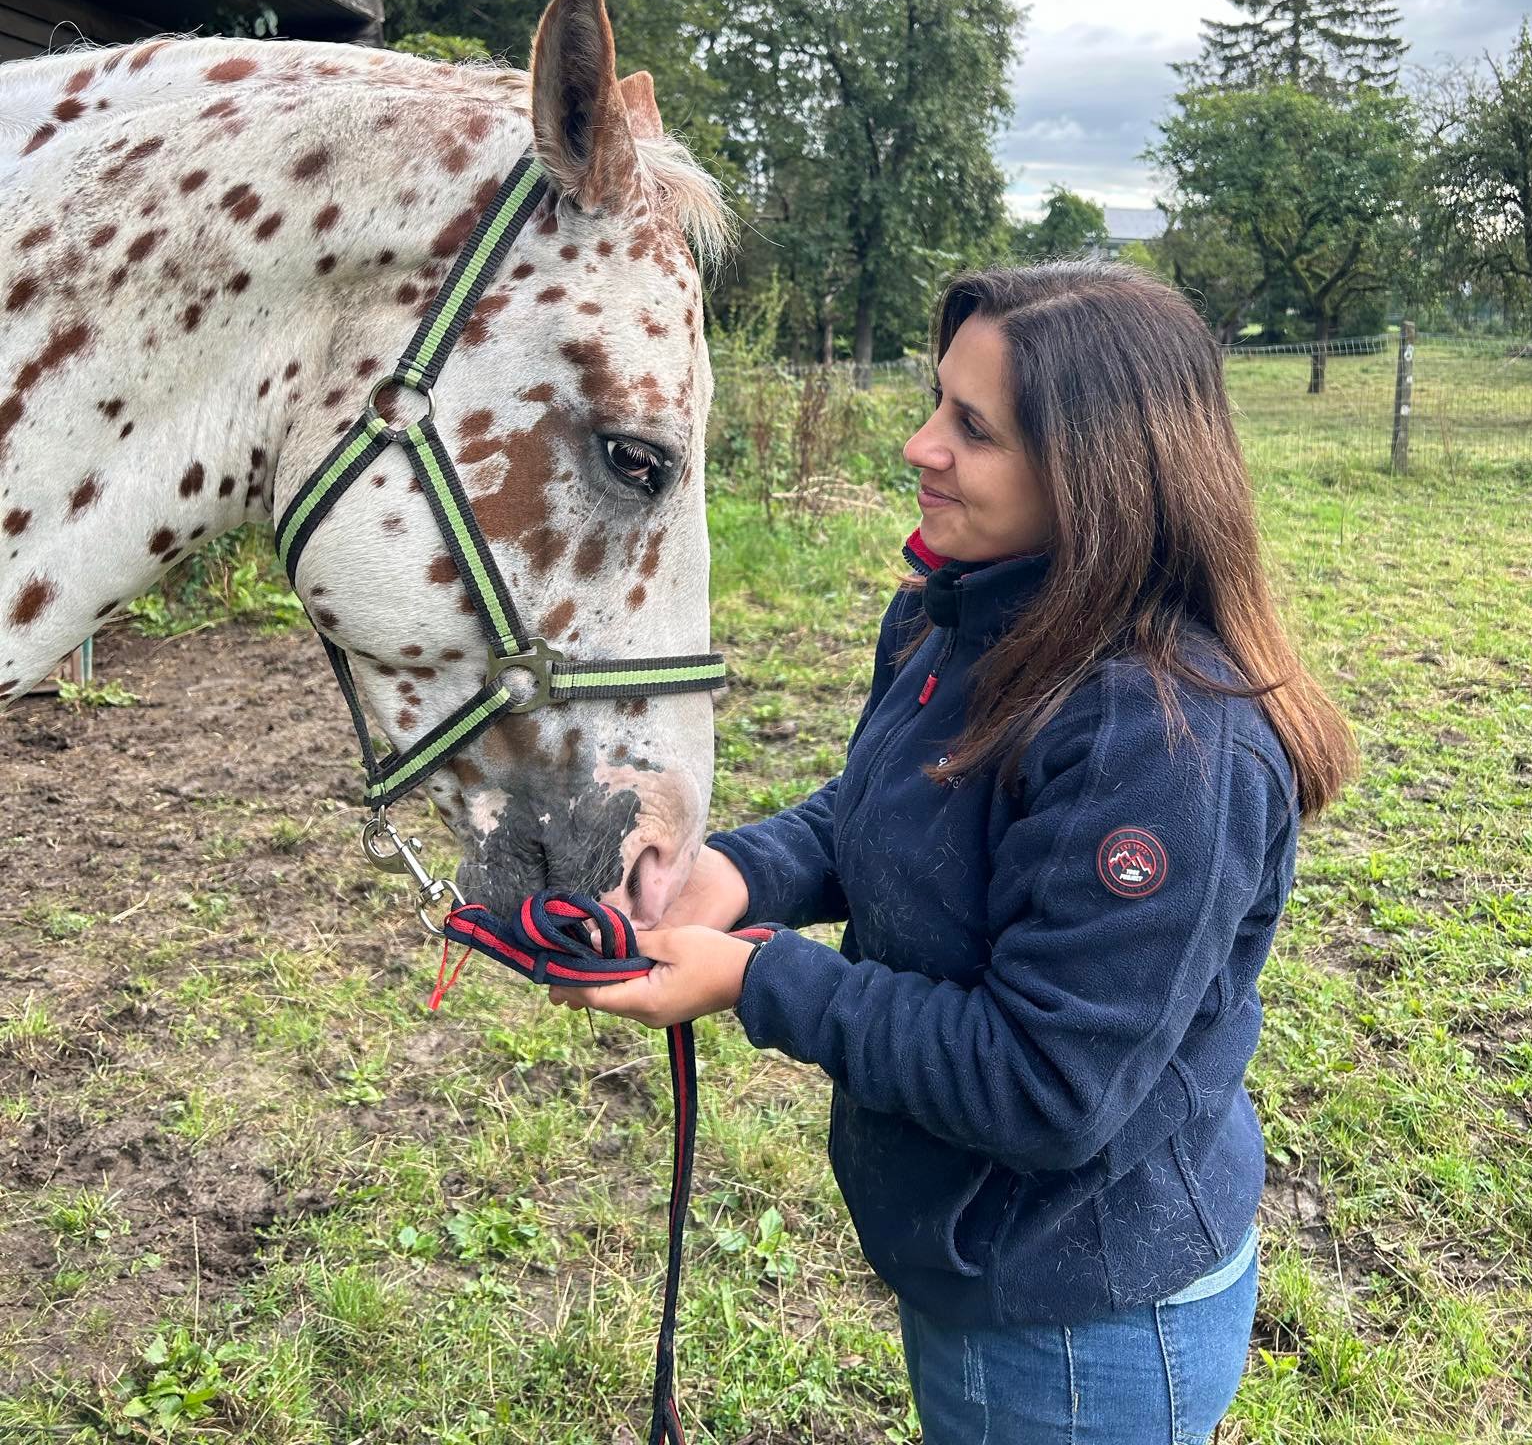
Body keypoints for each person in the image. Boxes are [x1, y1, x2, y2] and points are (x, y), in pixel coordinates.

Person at [550, 262, 1356, 1444]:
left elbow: (1046, 1082)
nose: (920, 445)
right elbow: (881, 805)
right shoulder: (957, 609)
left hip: (1081, 1321)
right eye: (937, 401)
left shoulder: (1164, 741)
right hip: (980, 1263)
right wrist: (738, 873)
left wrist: (755, 973)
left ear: (1100, 470)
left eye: (972, 428)